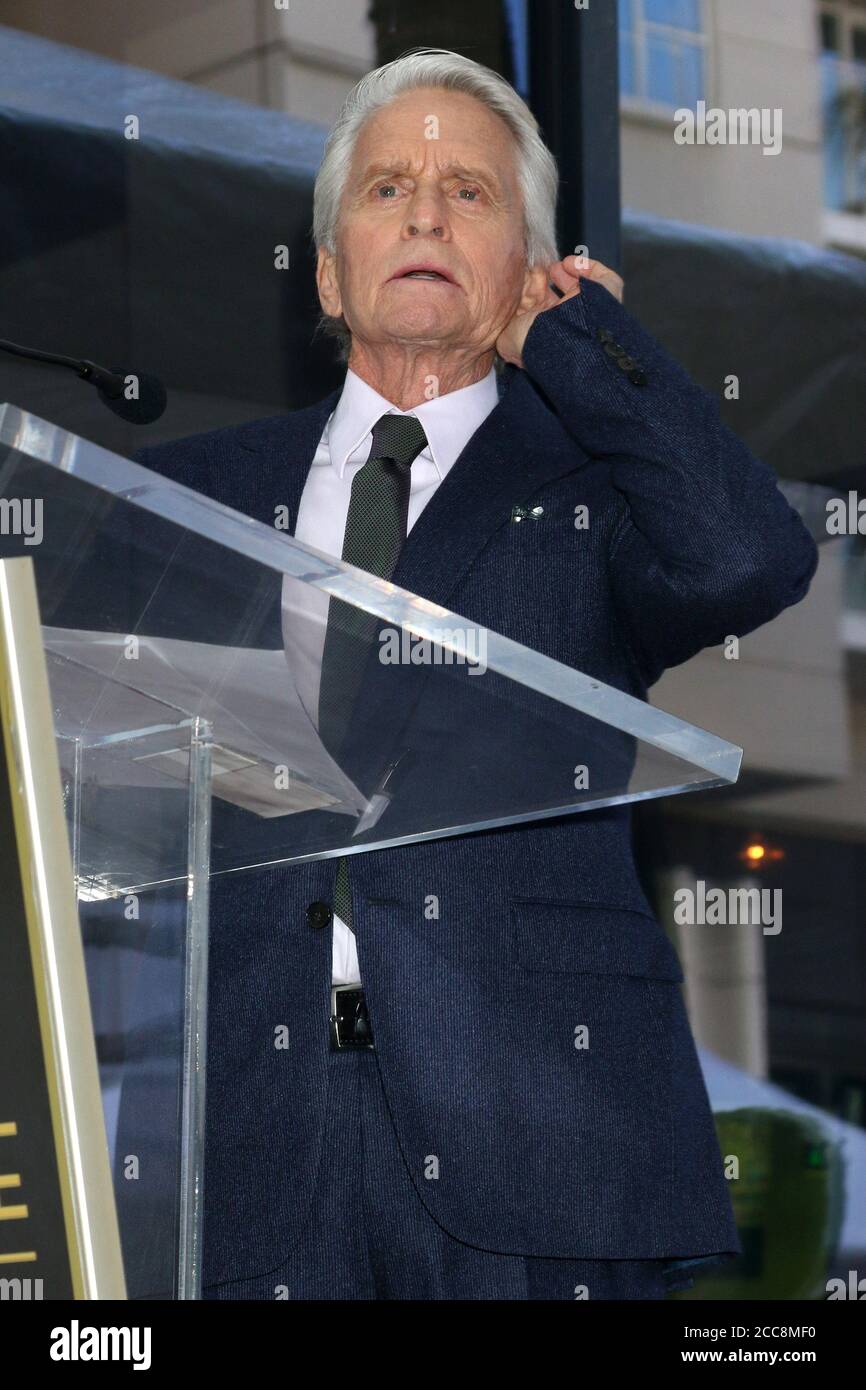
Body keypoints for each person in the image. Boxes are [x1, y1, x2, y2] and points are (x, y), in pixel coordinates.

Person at [132, 48, 818, 1300]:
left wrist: (583, 346)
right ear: (329, 273)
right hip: (243, 1140)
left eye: (470, 193)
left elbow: (748, 557)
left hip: (539, 1136)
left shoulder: (591, 489)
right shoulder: (190, 497)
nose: (428, 214)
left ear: (527, 266)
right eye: (388, 187)